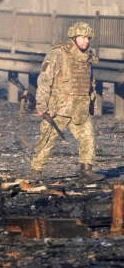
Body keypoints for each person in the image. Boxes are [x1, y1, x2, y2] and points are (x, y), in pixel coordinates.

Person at [30, 22, 104, 182]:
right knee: (47, 140)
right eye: (82, 37)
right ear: (74, 37)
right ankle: (36, 171)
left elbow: (90, 83)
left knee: (88, 138)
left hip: (80, 108)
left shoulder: (88, 57)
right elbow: (44, 79)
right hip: (59, 108)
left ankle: (86, 170)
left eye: (88, 38)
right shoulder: (58, 54)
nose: (86, 41)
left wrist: (92, 104)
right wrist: (41, 105)